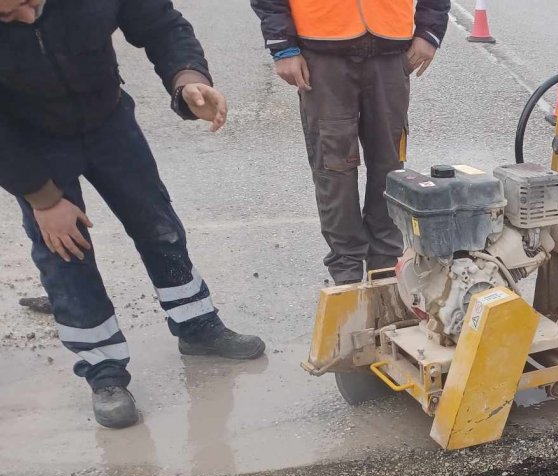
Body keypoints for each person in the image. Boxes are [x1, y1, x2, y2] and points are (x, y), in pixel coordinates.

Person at [0, 0, 266, 429]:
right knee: (66, 253)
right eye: (7, 17)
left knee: (158, 225)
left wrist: (188, 80)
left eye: (24, 6)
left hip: (108, 120)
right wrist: (42, 198)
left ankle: (196, 325)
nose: (21, 18)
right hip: (31, 143)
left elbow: (162, 26)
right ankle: (104, 372)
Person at [250, 0, 450, 285]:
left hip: (391, 50)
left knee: (390, 168)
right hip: (321, 52)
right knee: (334, 168)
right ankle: (347, 275)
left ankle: (385, 269)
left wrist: (429, 31)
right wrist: (282, 44)